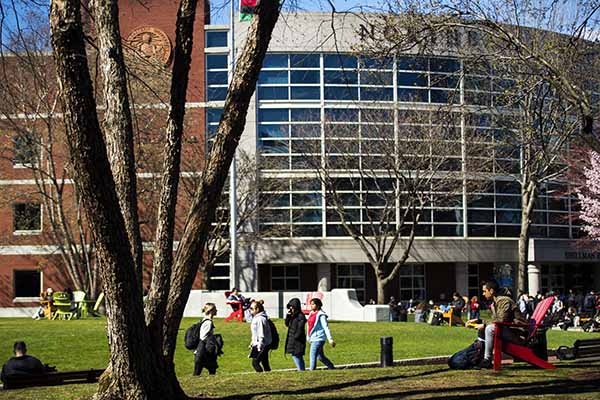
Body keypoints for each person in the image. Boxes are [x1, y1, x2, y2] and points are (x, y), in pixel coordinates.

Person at [467, 280, 526, 369]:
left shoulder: (504, 301)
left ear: (491, 291)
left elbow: (501, 320)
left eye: (484, 291)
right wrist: (479, 321)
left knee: (489, 328)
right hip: (510, 330)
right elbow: (495, 320)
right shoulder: (496, 302)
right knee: (484, 329)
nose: (483, 294)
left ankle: (487, 360)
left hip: (518, 334)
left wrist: (484, 325)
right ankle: (480, 358)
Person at [307, 298, 335, 370]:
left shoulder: (321, 315)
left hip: (318, 338)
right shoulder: (311, 313)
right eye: (311, 304)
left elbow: (326, 327)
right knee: (320, 356)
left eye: (313, 304)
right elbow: (309, 326)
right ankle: (331, 367)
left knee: (312, 354)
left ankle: (312, 371)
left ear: (318, 305)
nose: (311, 306)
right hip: (312, 338)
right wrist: (308, 337)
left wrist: (330, 339)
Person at [194, 303, 219, 376]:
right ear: (211, 311)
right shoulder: (208, 322)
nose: (216, 310)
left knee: (211, 369)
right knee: (197, 373)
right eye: (215, 309)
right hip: (203, 351)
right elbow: (203, 336)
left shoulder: (204, 320)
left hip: (201, 351)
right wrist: (213, 340)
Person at [249, 300, 272, 372]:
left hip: (262, 344)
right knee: (265, 362)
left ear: (257, 309)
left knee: (255, 362)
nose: (250, 310)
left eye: (251, 308)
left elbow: (261, 333)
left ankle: (261, 376)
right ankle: (268, 375)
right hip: (259, 343)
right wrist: (252, 342)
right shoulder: (257, 318)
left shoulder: (260, 319)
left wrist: (260, 345)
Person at [284, 298, 307, 371]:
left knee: (296, 355)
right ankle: (301, 370)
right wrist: (288, 315)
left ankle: (301, 370)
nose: (291, 308)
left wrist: (296, 336)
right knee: (296, 355)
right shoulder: (292, 316)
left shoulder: (300, 316)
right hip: (292, 339)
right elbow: (287, 324)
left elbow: (300, 328)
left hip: (298, 340)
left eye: (292, 307)